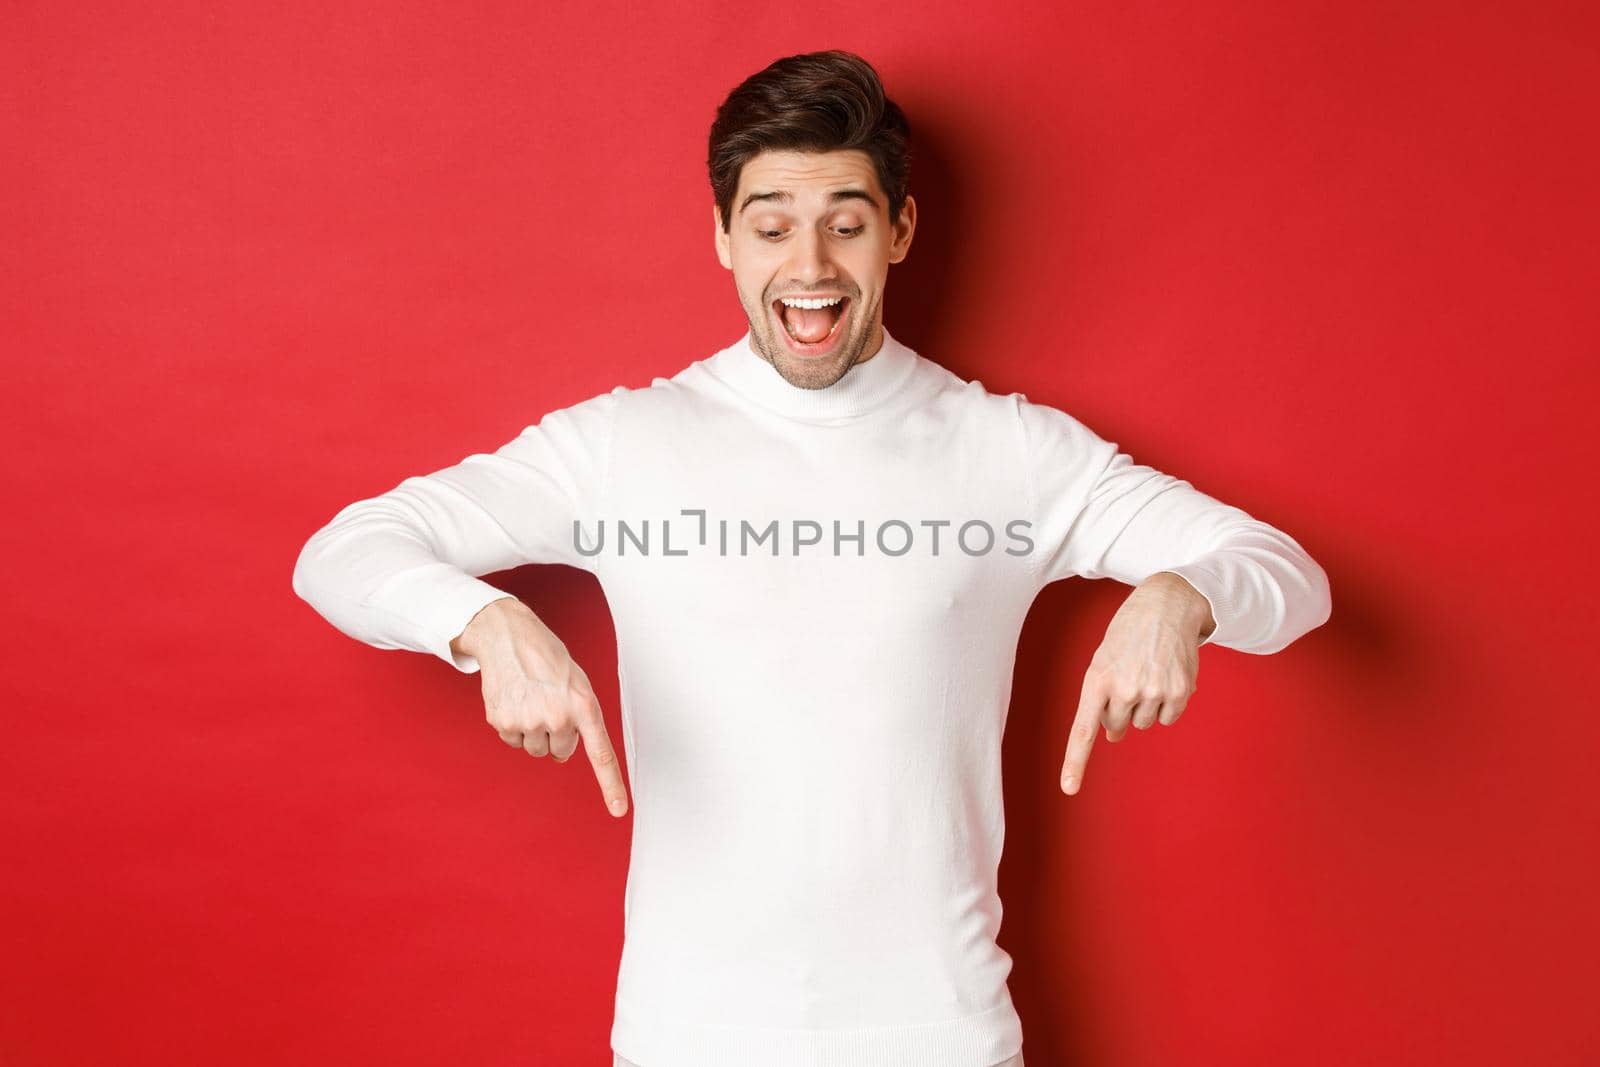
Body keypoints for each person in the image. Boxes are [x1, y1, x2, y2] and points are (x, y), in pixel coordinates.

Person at [292, 49, 1331, 1067]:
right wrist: (484, 623)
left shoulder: (1009, 451)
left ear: (898, 231)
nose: (809, 268)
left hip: (944, 1034)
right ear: (722, 239)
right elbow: (342, 552)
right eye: (772, 226)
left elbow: (1289, 577)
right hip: (686, 1036)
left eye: (845, 224)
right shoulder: (621, 445)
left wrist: (1180, 592)